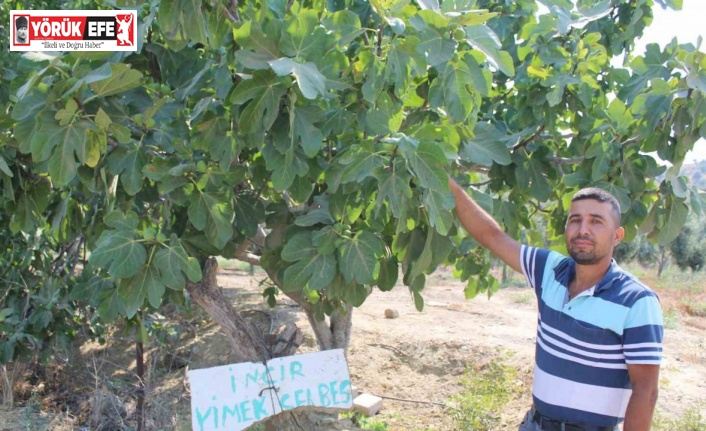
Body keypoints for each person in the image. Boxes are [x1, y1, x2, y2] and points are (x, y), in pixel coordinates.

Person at [449, 179, 663, 431]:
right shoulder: (549, 270)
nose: (583, 229)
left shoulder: (637, 300)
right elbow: (493, 237)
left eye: (596, 221)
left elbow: (646, 391)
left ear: (617, 236)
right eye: (575, 220)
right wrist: (447, 183)